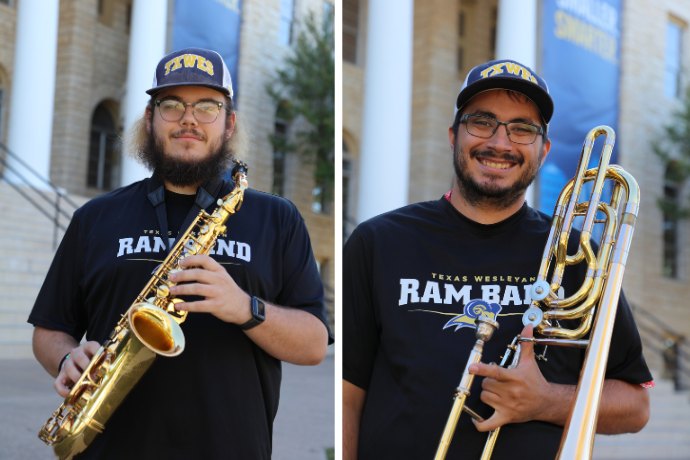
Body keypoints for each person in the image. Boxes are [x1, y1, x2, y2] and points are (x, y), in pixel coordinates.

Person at [29, 47, 332, 460]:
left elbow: (315, 344)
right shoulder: (95, 217)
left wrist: (244, 307)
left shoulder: (277, 218)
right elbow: (48, 331)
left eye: (207, 106)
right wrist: (66, 357)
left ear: (229, 123)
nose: (188, 118)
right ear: (150, 118)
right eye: (171, 104)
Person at [342, 59, 652, 460]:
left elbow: (636, 404)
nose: (500, 143)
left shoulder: (576, 256)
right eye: (482, 122)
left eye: (523, 129)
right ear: (454, 135)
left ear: (544, 150)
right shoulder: (378, 242)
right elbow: (347, 397)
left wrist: (547, 401)